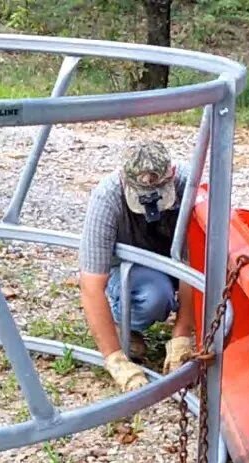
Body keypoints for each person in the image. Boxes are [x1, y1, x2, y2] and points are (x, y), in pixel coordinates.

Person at [79, 140, 196, 391]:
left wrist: (182, 337)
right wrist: (115, 360)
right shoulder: (107, 197)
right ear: (124, 179)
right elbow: (90, 286)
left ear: (172, 174)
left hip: (175, 262)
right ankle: (124, 322)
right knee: (155, 295)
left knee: (221, 276)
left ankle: (183, 326)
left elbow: (194, 264)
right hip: (131, 270)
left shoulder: (191, 185)